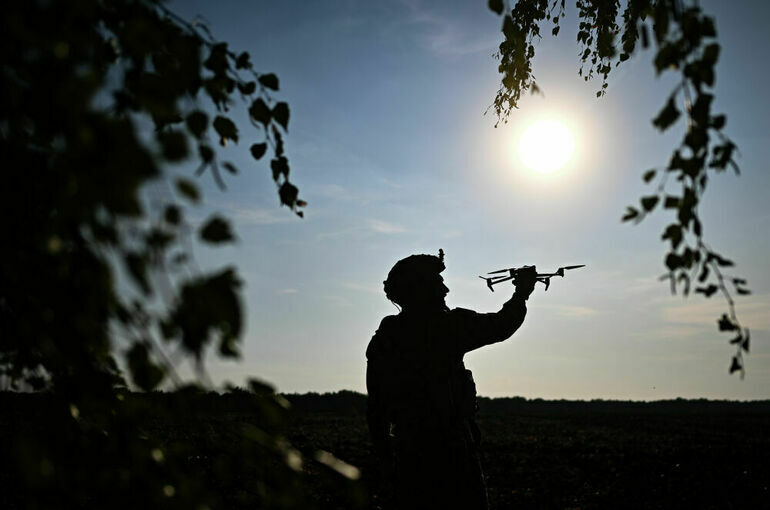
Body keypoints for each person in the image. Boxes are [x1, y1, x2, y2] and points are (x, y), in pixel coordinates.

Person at [366, 250, 537, 510]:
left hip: (410, 453)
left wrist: (386, 460)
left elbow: (376, 409)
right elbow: (502, 325)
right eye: (437, 284)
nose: (445, 290)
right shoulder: (448, 327)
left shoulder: (385, 339)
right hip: (451, 452)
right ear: (420, 290)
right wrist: (522, 293)